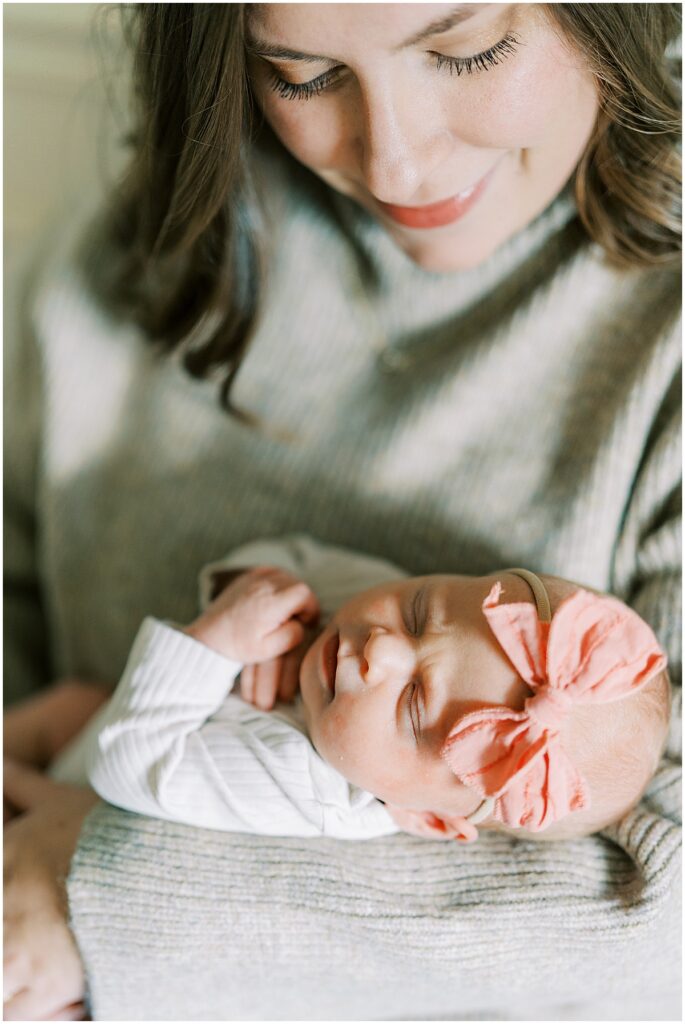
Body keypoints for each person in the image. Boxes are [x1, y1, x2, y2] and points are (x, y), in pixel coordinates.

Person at [4, 3, 681, 1021]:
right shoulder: (139, 248)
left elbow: (659, 911)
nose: (399, 164)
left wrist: (98, 888)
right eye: (303, 74)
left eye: (468, 51)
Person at [6, 535, 670, 845]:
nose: (379, 646)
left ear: (427, 818)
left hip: (76, 817)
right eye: (417, 609)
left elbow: (132, 764)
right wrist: (253, 589)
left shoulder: (311, 787)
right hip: (90, 726)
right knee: (75, 700)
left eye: (413, 703)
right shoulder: (370, 603)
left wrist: (217, 640)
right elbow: (300, 557)